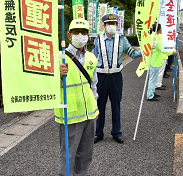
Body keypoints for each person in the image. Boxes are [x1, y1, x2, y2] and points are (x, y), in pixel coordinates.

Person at [55, 18, 98, 176]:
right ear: (69, 35)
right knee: (68, 156)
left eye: (84, 32)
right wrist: (57, 76)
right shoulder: (59, 58)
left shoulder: (92, 58)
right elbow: (47, 86)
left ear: (88, 36)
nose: (80, 35)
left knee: (86, 155)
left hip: (90, 114)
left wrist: (96, 108)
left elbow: (94, 86)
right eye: (76, 32)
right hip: (70, 115)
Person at [92, 13, 142, 144]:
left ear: (116, 25)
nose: (111, 26)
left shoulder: (122, 40)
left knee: (116, 105)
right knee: (99, 106)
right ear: (104, 25)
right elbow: (92, 57)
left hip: (116, 77)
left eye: (113, 24)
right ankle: (98, 133)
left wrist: (146, 50)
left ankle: (116, 132)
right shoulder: (98, 39)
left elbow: (132, 53)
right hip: (101, 77)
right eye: (108, 24)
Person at [148, 23, 178, 101]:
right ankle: (150, 95)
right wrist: (172, 53)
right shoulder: (155, 38)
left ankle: (152, 93)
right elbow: (162, 48)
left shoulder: (154, 36)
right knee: (152, 79)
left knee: (154, 79)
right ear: (159, 29)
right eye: (161, 28)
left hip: (155, 60)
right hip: (154, 61)